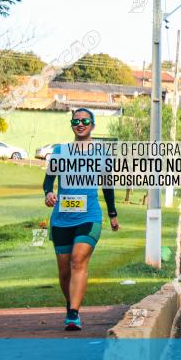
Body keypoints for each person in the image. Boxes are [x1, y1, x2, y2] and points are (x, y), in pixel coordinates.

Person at [43, 108, 120, 330]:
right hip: (62, 218)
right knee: (64, 269)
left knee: (78, 259)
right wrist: (48, 193)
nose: (80, 123)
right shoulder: (60, 151)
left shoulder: (101, 152)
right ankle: (70, 305)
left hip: (89, 216)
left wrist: (112, 214)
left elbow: (107, 185)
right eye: (76, 121)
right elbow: (48, 181)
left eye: (85, 120)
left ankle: (74, 315)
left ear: (93, 125)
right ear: (72, 124)